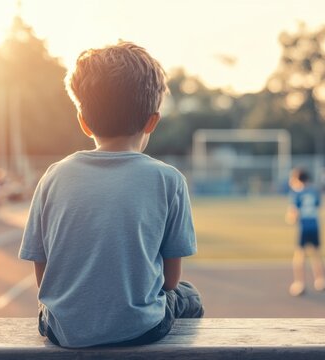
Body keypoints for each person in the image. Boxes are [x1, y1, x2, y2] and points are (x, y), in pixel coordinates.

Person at [19, 41, 203, 348]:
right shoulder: (169, 180)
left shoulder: (53, 176)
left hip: (63, 331)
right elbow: (170, 282)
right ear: (152, 121)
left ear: (84, 122)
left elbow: (44, 279)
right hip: (141, 329)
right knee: (189, 295)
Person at [285, 168, 325, 296]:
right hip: (315, 225)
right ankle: (320, 280)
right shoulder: (315, 191)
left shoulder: (297, 193)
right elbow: (318, 206)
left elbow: (293, 214)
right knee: (316, 254)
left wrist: (290, 218)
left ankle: (299, 283)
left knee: (299, 255)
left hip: (304, 227)